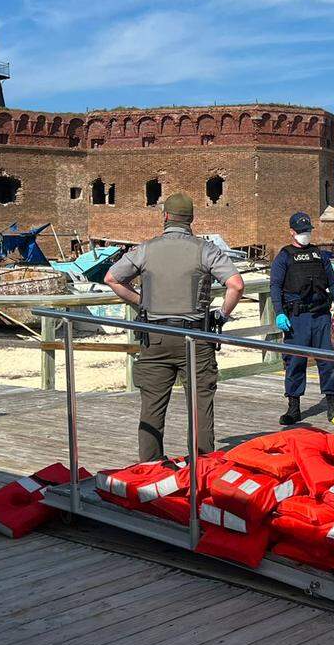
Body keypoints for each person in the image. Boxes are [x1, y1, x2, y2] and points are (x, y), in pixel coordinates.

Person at [104, 193, 245, 462]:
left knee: (152, 408)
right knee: (200, 407)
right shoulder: (205, 249)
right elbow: (236, 285)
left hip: (155, 337)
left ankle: (150, 469)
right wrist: (221, 316)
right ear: (190, 219)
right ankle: (202, 467)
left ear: (165, 217)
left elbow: (112, 278)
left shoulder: (146, 249)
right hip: (195, 337)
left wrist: (142, 301)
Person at [270, 211, 334, 424]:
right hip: (296, 318)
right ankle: (294, 408)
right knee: (295, 362)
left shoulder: (319, 255)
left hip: (321, 316)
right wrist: (280, 312)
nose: (305, 235)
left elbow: (333, 283)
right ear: (292, 232)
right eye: (301, 232)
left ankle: (332, 405)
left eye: (307, 231)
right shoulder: (284, 256)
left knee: (328, 362)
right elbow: (275, 286)